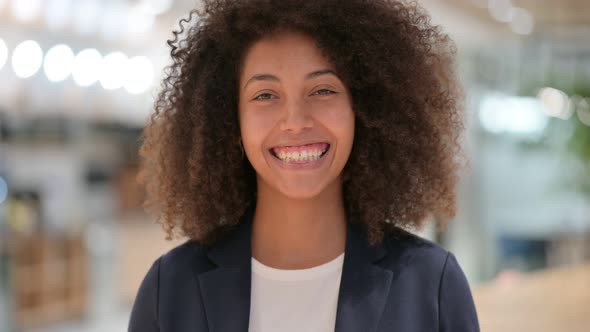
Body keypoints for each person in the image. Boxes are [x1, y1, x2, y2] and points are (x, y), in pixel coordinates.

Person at [128, 0, 479, 331]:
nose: (295, 121)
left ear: (365, 109)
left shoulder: (431, 283)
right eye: (265, 95)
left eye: (323, 90)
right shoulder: (171, 288)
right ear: (230, 121)